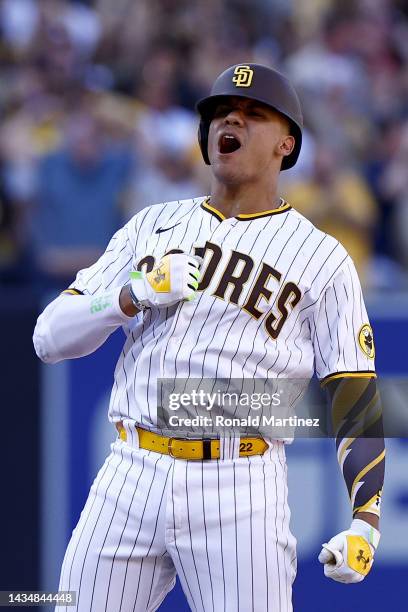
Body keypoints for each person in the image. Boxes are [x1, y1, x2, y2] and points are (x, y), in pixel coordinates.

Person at [33, 64, 385, 612]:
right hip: (130, 469)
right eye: (222, 112)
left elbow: (355, 395)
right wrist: (132, 294)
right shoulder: (151, 225)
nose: (232, 119)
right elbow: (49, 338)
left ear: (286, 143)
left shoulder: (322, 257)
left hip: (240, 484)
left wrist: (366, 521)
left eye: (253, 114)